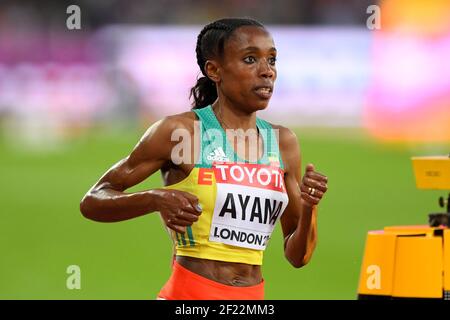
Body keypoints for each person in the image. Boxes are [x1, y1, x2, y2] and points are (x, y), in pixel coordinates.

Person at [80, 17, 328, 300]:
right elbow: (93, 200)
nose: (267, 72)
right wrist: (154, 199)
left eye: (272, 60)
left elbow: (298, 256)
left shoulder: (283, 143)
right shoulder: (180, 132)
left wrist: (310, 207)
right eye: (250, 60)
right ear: (214, 70)